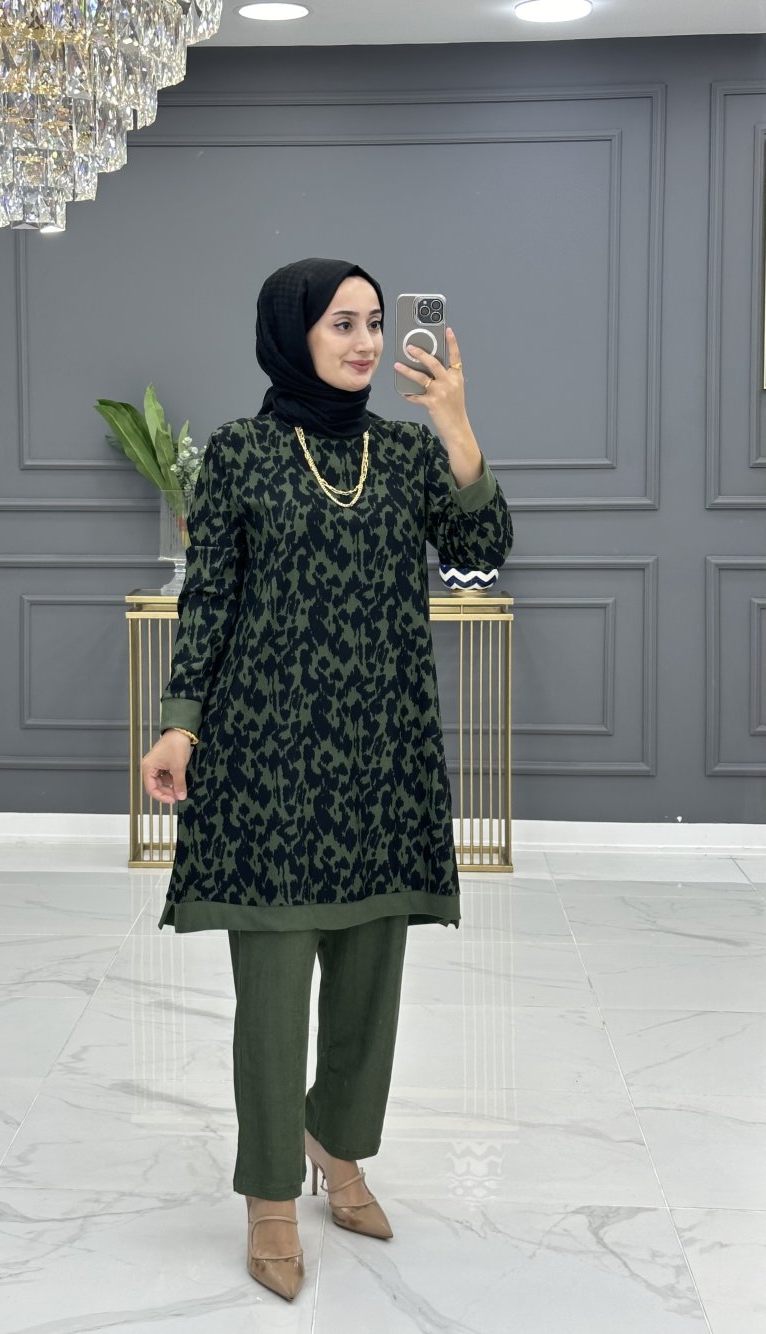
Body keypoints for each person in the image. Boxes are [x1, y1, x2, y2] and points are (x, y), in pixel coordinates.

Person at [140, 257, 514, 1302]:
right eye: (342, 323)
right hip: (265, 759)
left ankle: (336, 1146)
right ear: (292, 332)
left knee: (368, 980)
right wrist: (179, 724)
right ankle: (270, 1195)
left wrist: (457, 427)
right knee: (271, 993)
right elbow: (210, 597)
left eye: (375, 322)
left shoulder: (406, 454)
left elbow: (480, 555)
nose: (364, 341)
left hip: (380, 756)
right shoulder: (241, 452)